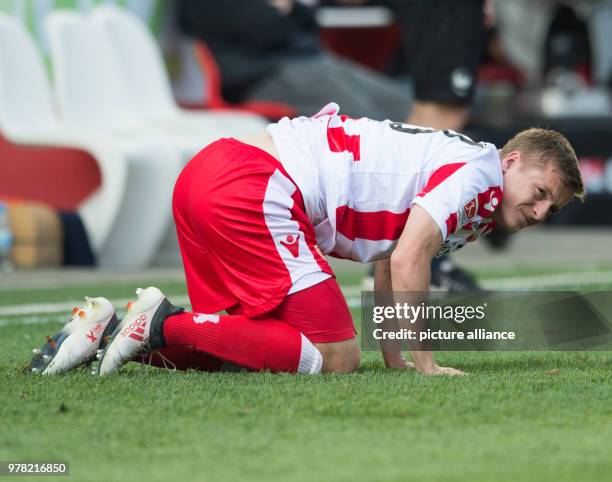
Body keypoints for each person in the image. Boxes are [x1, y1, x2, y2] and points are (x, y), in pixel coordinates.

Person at [30, 103, 584, 377]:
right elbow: (412, 253)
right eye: (538, 192)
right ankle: (160, 320)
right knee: (337, 357)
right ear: (511, 160)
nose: (538, 211)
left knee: (240, 347)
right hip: (252, 185)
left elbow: (392, 262)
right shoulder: (480, 174)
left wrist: (397, 362)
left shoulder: (475, 178)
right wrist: (427, 363)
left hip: (209, 175)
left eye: (549, 209)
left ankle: (108, 329)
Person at [176, 0, 411, 121]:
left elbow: (310, 21)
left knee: (406, 103)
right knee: (365, 120)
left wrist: (285, 10)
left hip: (312, 63)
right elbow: (265, 30)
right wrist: (284, 11)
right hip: (261, 76)